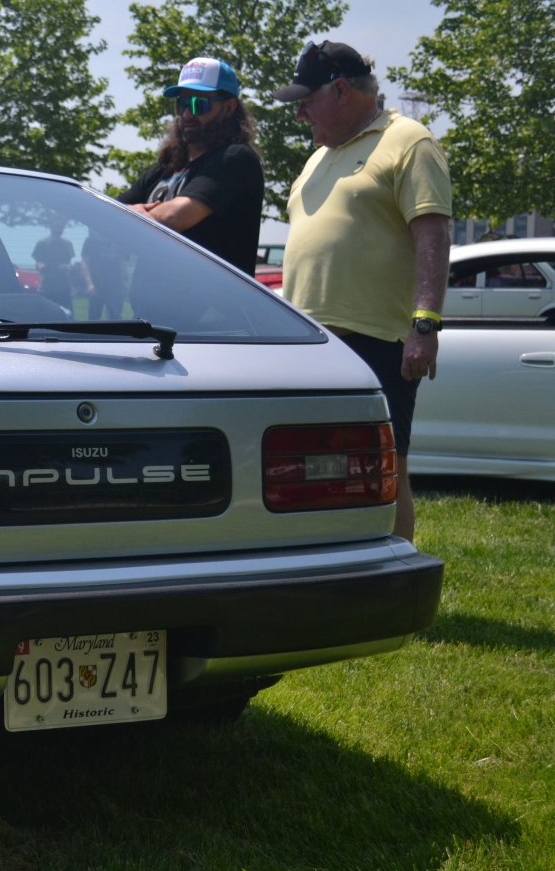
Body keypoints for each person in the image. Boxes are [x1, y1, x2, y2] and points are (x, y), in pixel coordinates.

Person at [275, 40, 452, 542]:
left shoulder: (408, 141)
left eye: (306, 101)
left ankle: (395, 574)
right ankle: (330, 567)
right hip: (310, 345)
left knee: (386, 468)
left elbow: (433, 235)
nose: (300, 114)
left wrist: (425, 325)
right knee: (312, 471)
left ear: (341, 90)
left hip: (376, 341)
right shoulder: (317, 158)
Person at [119, 56, 264, 275]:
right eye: (182, 104)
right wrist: (133, 213)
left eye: (199, 104)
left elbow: (174, 217)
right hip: (152, 295)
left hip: (209, 296)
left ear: (229, 107)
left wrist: (129, 214)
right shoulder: (166, 168)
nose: (187, 114)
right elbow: (107, 214)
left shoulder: (235, 159)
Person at [32, 219, 76, 307]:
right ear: (51, 227)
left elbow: (69, 264)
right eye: (57, 227)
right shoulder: (42, 243)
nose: (60, 229)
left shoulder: (67, 244)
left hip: (63, 286)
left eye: (62, 227)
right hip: (46, 286)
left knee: (66, 313)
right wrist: (46, 267)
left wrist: (63, 268)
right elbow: (38, 264)